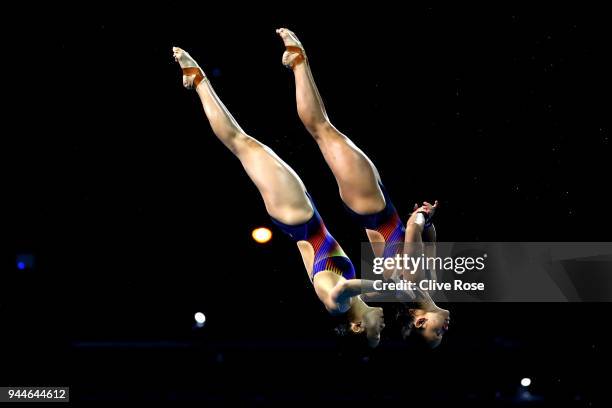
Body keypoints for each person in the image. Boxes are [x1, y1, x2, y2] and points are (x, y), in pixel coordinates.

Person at [173, 46, 394, 348]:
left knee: (243, 144)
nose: (381, 328)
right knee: (246, 145)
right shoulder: (350, 302)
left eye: (375, 334)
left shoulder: (338, 306)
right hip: (305, 218)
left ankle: (198, 81)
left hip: (297, 219)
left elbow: (341, 289)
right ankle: (208, 78)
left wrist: (386, 285)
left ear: (356, 327)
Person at [276, 28, 450, 348]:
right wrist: (429, 223)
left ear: (421, 321)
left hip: (374, 208)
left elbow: (413, 231)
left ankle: (298, 62)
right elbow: (425, 241)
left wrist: (423, 217)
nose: (445, 329)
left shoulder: (413, 286)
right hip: (372, 210)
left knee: (322, 130)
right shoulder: (419, 287)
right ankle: (297, 64)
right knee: (323, 132)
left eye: (435, 332)